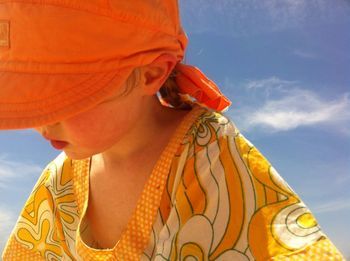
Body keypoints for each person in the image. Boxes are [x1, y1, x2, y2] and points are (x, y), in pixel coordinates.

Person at [0, 1, 344, 260]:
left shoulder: (207, 154)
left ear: (151, 73)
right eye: (30, 96)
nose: (41, 119)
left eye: (64, 96)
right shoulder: (60, 182)